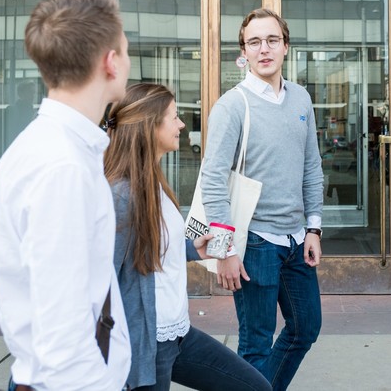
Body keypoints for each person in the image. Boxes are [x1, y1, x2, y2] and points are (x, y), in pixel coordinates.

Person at [0, 0, 132, 390]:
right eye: (125, 49)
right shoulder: (62, 167)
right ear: (110, 62)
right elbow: (63, 345)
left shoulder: (52, 149)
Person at [105, 83, 272, 391]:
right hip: (147, 343)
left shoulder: (151, 182)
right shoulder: (121, 195)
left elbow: (148, 246)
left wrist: (192, 249)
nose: (182, 124)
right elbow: (101, 279)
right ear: (149, 125)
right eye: (174, 117)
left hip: (178, 334)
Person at [201, 8, 323, 391]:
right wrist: (225, 251)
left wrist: (314, 228)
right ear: (244, 52)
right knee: (255, 344)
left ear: (286, 46)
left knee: (306, 328)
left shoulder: (301, 98)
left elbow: (311, 167)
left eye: (272, 40)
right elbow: (212, 178)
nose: (264, 49)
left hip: (295, 239)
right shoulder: (233, 105)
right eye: (254, 42)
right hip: (253, 242)